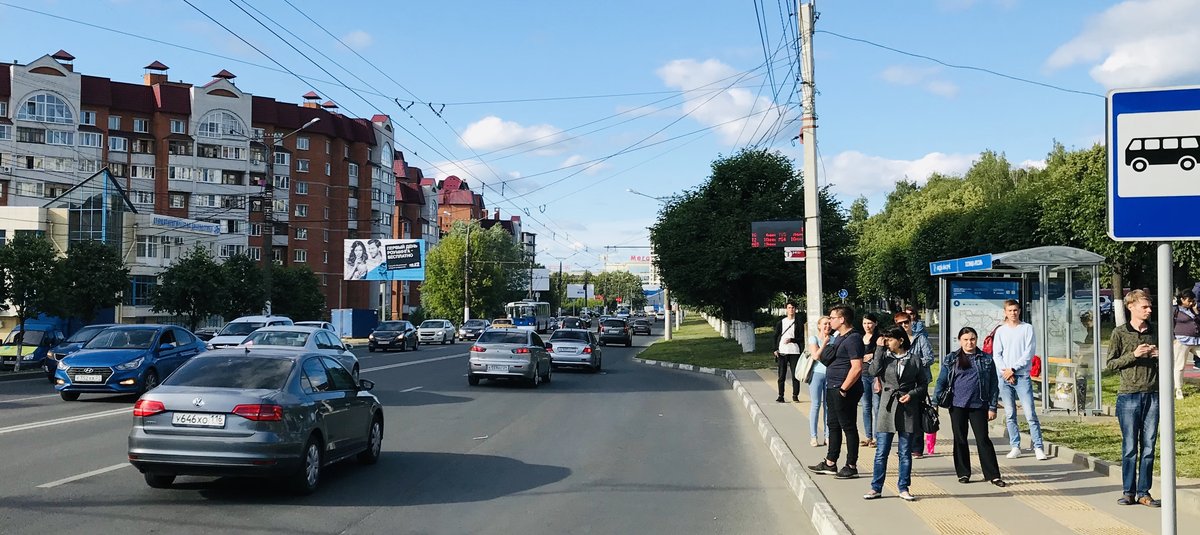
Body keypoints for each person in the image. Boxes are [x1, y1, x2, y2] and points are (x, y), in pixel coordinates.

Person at [1107, 290, 1162, 507]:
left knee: (1149, 445)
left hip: (1153, 395)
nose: (1149, 310)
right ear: (1131, 307)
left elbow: (1171, 359)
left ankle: (1144, 492)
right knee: (1130, 446)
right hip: (1128, 395)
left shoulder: (1156, 331)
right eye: (1144, 307)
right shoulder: (1120, 333)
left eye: (1150, 307)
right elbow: (1111, 364)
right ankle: (1128, 491)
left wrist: (1160, 355)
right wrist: (1134, 355)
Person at [934, 327, 1006, 488]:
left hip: (979, 405)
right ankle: (964, 473)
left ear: (976, 339)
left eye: (972, 339)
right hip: (957, 405)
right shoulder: (952, 358)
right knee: (960, 439)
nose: (969, 342)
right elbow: (941, 381)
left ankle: (993, 475)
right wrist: (935, 402)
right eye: (966, 339)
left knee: (983, 439)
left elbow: (994, 385)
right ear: (960, 340)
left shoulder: (986, 359)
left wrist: (992, 407)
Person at [863, 326, 928, 501]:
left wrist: (911, 395)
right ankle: (876, 487)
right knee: (881, 451)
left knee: (905, 452)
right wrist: (878, 348)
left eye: (890, 339)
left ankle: (904, 487)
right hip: (887, 407)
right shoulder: (884, 357)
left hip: (907, 409)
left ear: (900, 340)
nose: (887, 342)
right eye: (885, 339)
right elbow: (872, 371)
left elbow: (923, 384)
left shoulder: (914, 359)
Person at [808, 305, 865, 479]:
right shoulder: (838, 337)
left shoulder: (853, 338)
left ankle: (851, 465)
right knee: (832, 425)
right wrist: (826, 340)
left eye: (832, 318)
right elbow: (823, 358)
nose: (829, 320)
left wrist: (844, 388)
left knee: (848, 426)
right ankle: (830, 462)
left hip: (844, 389)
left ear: (842, 319)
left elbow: (857, 367)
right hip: (833, 386)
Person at [992, 299, 1048, 461]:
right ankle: (1015, 445)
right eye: (1010, 310)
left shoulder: (1027, 328)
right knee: (1010, 413)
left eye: (1015, 310)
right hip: (1004, 377)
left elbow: (1029, 352)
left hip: (1021, 375)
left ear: (1020, 311)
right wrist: (1005, 371)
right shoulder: (1001, 331)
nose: (1013, 313)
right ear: (1005, 312)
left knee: (1030, 413)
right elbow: (997, 354)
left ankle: (1038, 446)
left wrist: (1013, 369)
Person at [895, 311, 935, 456]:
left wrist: (914, 364)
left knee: (916, 414)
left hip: (918, 382)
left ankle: (917, 448)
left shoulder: (920, 339)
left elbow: (930, 358)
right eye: (900, 323)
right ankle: (903, 447)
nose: (904, 325)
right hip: (901, 383)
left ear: (911, 322)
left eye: (906, 322)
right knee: (901, 416)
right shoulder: (895, 340)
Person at [807, 316, 832, 447]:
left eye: (829, 324)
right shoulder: (814, 338)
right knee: (816, 405)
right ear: (819, 326)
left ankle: (828, 436)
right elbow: (815, 355)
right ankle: (813, 436)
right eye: (824, 324)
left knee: (828, 406)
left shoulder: (834, 339)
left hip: (830, 375)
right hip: (817, 374)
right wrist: (824, 344)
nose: (827, 326)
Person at [773, 301, 805, 403]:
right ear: (786, 309)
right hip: (782, 351)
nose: (791, 310)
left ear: (795, 309)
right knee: (781, 375)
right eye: (789, 308)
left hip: (795, 351)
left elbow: (801, 338)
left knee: (795, 374)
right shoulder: (781, 322)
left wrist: (792, 340)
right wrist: (775, 349)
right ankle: (780, 395)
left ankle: (795, 395)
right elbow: (775, 336)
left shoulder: (799, 322)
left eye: (793, 308)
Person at [1171, 289, 1200, 400]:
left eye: (1193, 300)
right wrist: (1173, 338)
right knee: (1180, 365)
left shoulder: (1193, 310)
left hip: (1196, 340)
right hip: (1181, 341)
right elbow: (1170, 324)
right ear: (1182, 299)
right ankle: (1178, 389)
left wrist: (1196, 311)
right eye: (1189, 300)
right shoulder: (1175, 310)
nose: (1191, 302)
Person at [860, 313, 881, 447]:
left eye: (869, 323)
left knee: (877, 406)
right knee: (865, 406)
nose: (867, 326)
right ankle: (868, 436)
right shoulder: (859, 338)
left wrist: (872, 354)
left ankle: (877, 437)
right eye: (865, 323)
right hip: (862, 375)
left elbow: (882, 357)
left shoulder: (879, 339)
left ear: (875, 323)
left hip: (875, 376)